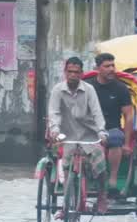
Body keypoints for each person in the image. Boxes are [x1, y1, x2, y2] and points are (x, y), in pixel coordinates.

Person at [47, 56, 110, 213]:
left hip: (89, 136)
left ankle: (102, 195)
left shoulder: (89, 90)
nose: (73, 75)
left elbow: (97, 113)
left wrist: (101, 132)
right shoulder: (57, 90)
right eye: (70, 72)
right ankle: (67, 203)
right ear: (65, 72)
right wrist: (54, 130)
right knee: (67, 168)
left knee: (100, 165)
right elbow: (54, 113)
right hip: (68, 136)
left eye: (76, 72)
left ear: (81, 73)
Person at [88, 53, 134, 204]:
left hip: (112, 128)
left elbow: (128, 116)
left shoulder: (120, 88)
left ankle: (113, 179)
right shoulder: (89, 87)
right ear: (98, 68)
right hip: (90, 129)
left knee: (115, 138)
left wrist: (127, 143)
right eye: (107, 66)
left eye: (113, 66)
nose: (111, 69)